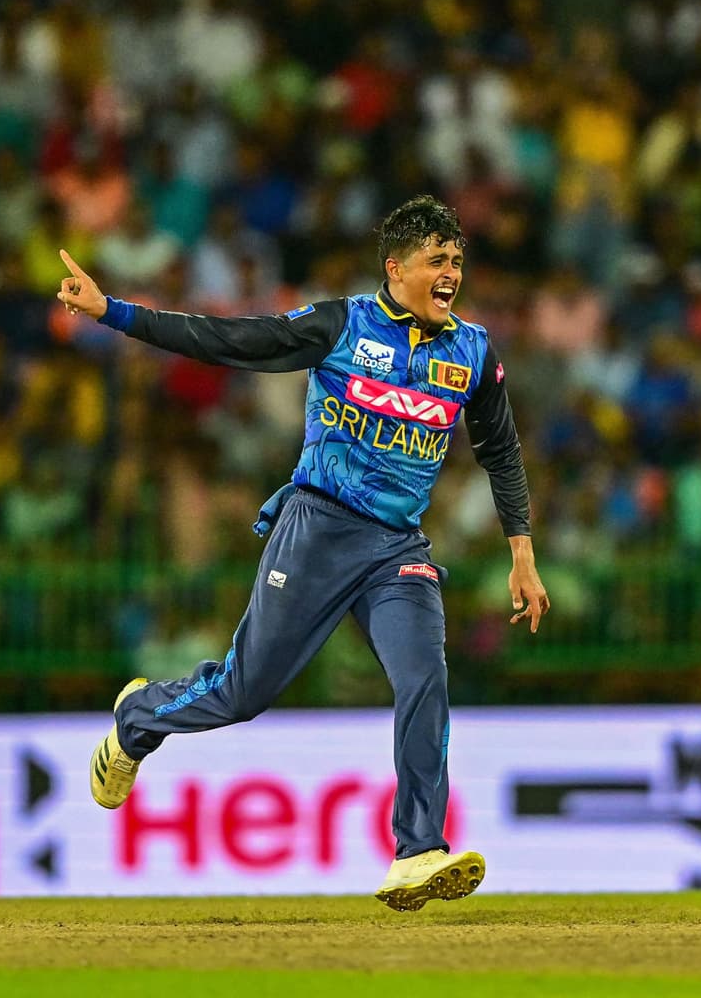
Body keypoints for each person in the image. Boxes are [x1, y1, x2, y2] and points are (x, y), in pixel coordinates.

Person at [56, 194, 550, 912]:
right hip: (317, 529)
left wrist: (522, 552)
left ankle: (417, 852)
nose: (451, 273)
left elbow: (500, 451)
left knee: (425, 677)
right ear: (396, 266)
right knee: (241, 693)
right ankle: (139, 720)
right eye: (437, 260)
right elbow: (224, 339)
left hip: (396, 550)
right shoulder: (339, 326)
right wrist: (114, 312)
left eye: (458, 262)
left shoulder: (471, 350)